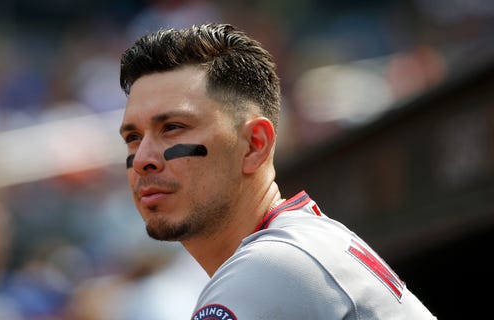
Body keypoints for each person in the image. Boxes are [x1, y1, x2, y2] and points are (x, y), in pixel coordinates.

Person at [118, 23, 436, 319]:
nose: (143, 158)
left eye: (173, 127)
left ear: (255, 145)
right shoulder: (298, 244)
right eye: (133, 138)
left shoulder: (269, 267)